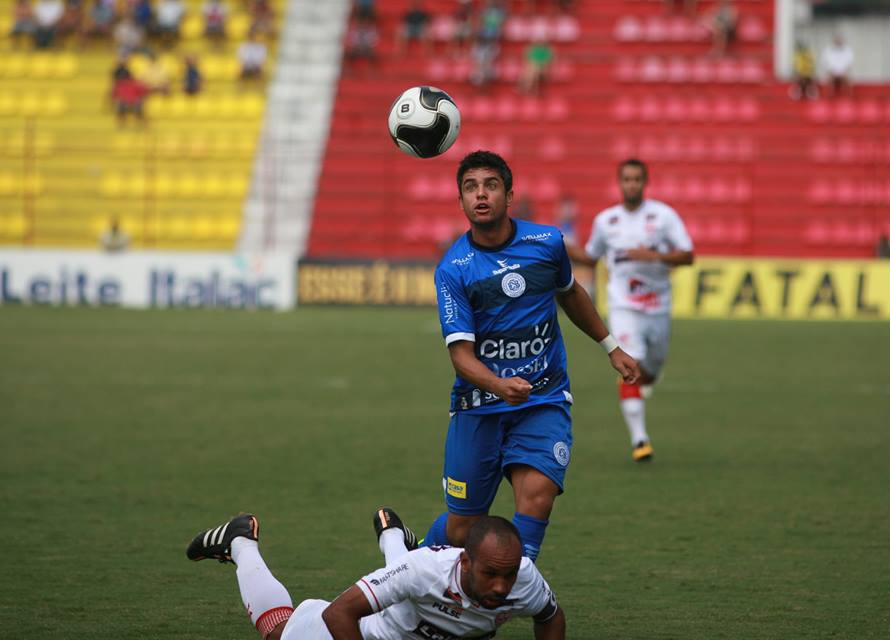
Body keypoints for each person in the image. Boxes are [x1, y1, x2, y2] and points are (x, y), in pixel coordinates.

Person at [423, 151, 641, 561]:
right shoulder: (454, 269)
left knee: (538, 496)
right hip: (479, 404)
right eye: (470, 188)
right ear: (461, 201)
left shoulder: (547, 243)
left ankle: (509, 587)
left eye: (490, 186)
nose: (480, 195)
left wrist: (611, 347)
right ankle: (411, 556)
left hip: (543, 396)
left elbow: (570, 294)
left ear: (509, 196)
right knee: (462, 527)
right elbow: (461, 358)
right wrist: (499, 385)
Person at [186, 510, 566, 640]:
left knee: (403, 577)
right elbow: (339, 614)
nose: (501, 586)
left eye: (508, 575)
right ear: (465, 563)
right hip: (362, 632)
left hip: (405, 593)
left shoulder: (525, 579)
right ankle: (241, 542)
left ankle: (392, 533)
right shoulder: (426, 570)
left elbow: (550, 616)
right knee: (277, 633)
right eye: (491, 574)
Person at [566, 159, 695, 463]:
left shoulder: (663, 216)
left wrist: (653, 256)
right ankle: (640, 440)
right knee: (630, 363)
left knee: (653, 367)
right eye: (627, 179)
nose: (632, 184)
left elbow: (688, 256)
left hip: (657, 305)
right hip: (623, 305)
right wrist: (563, 247)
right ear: (620, 183)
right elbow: (591, 258)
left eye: (637, 179)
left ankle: (646, 381)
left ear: (645, 182)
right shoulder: (606, 221)